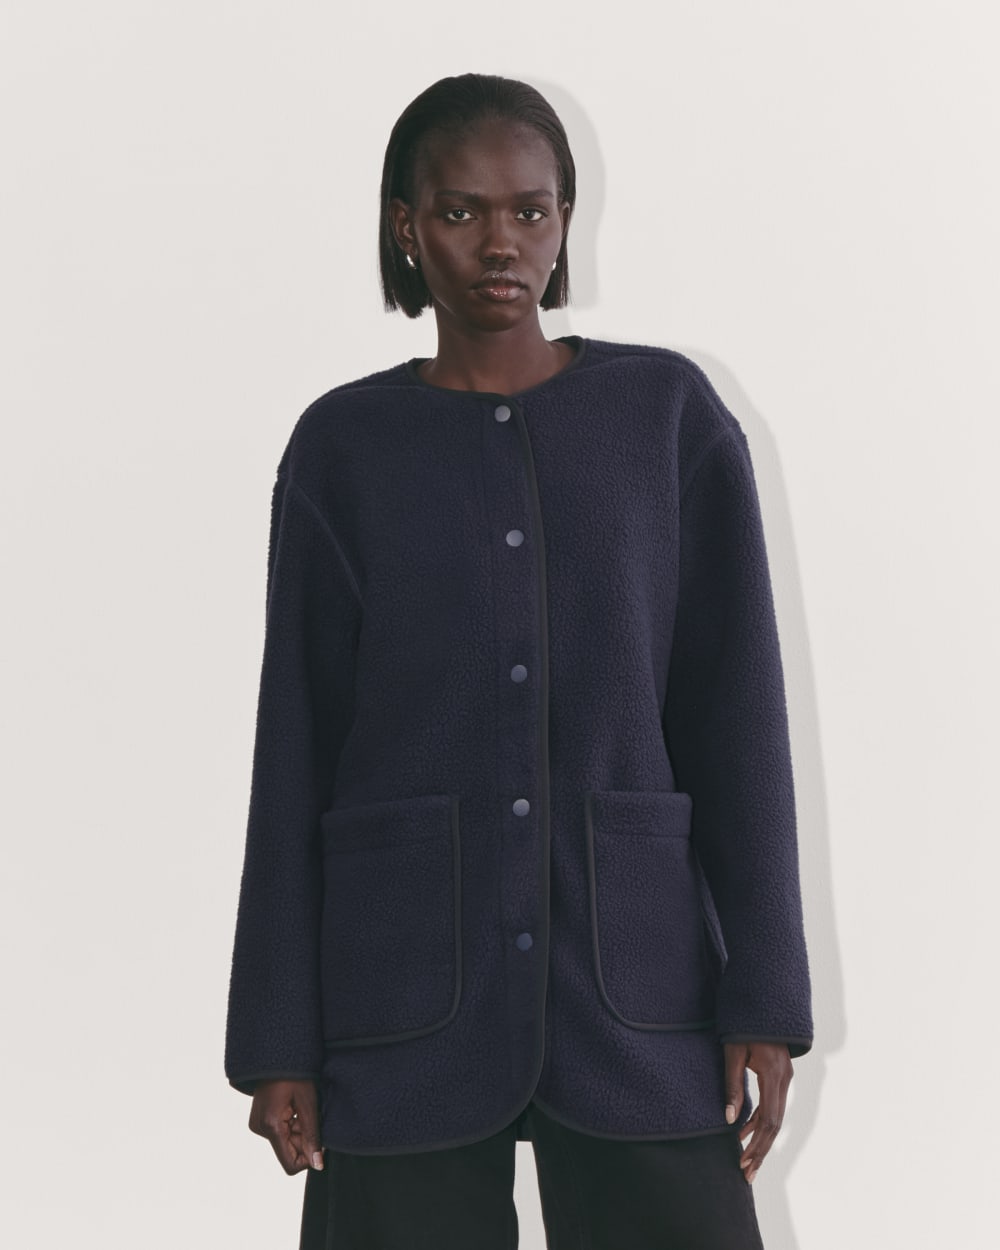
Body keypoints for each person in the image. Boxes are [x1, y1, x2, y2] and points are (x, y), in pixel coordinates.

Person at [224, 73, 813, 1250]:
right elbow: (295, 742)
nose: (501, 243)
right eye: (460, 212)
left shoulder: (666, 416)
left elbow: (736, 717)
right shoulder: (345, 447)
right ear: (405, 226)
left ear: (564, 219)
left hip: (635, 983)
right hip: (404, 986)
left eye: (530, 211)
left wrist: (762, 992)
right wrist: (277, 1034)